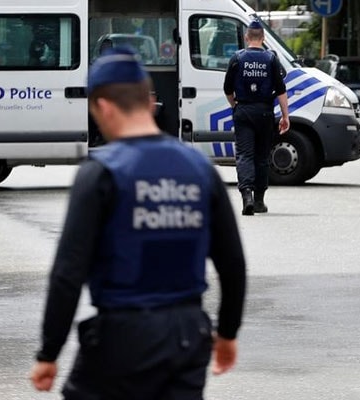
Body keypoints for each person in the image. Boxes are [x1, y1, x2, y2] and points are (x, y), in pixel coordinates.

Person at [30, 46, 247, 399]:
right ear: (149, 103)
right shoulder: (200, 169)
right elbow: (232, 263)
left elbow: (68, 273)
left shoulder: (101, 172)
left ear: (102, 106)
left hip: (122, 336)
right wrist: (227, 333)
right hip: (188, 335)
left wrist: (48, 354)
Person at [223, 19, 289, 216]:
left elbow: (227, 89)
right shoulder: (271, 58)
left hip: (243, 111)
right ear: (263, 38)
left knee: (244, 155)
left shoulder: (237, 58)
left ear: (246, 37)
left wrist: (235, 106)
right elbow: (281, 90)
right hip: (265, 112)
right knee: (261, 157)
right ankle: (259, 200)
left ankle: (247, 197)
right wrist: (285, 116)